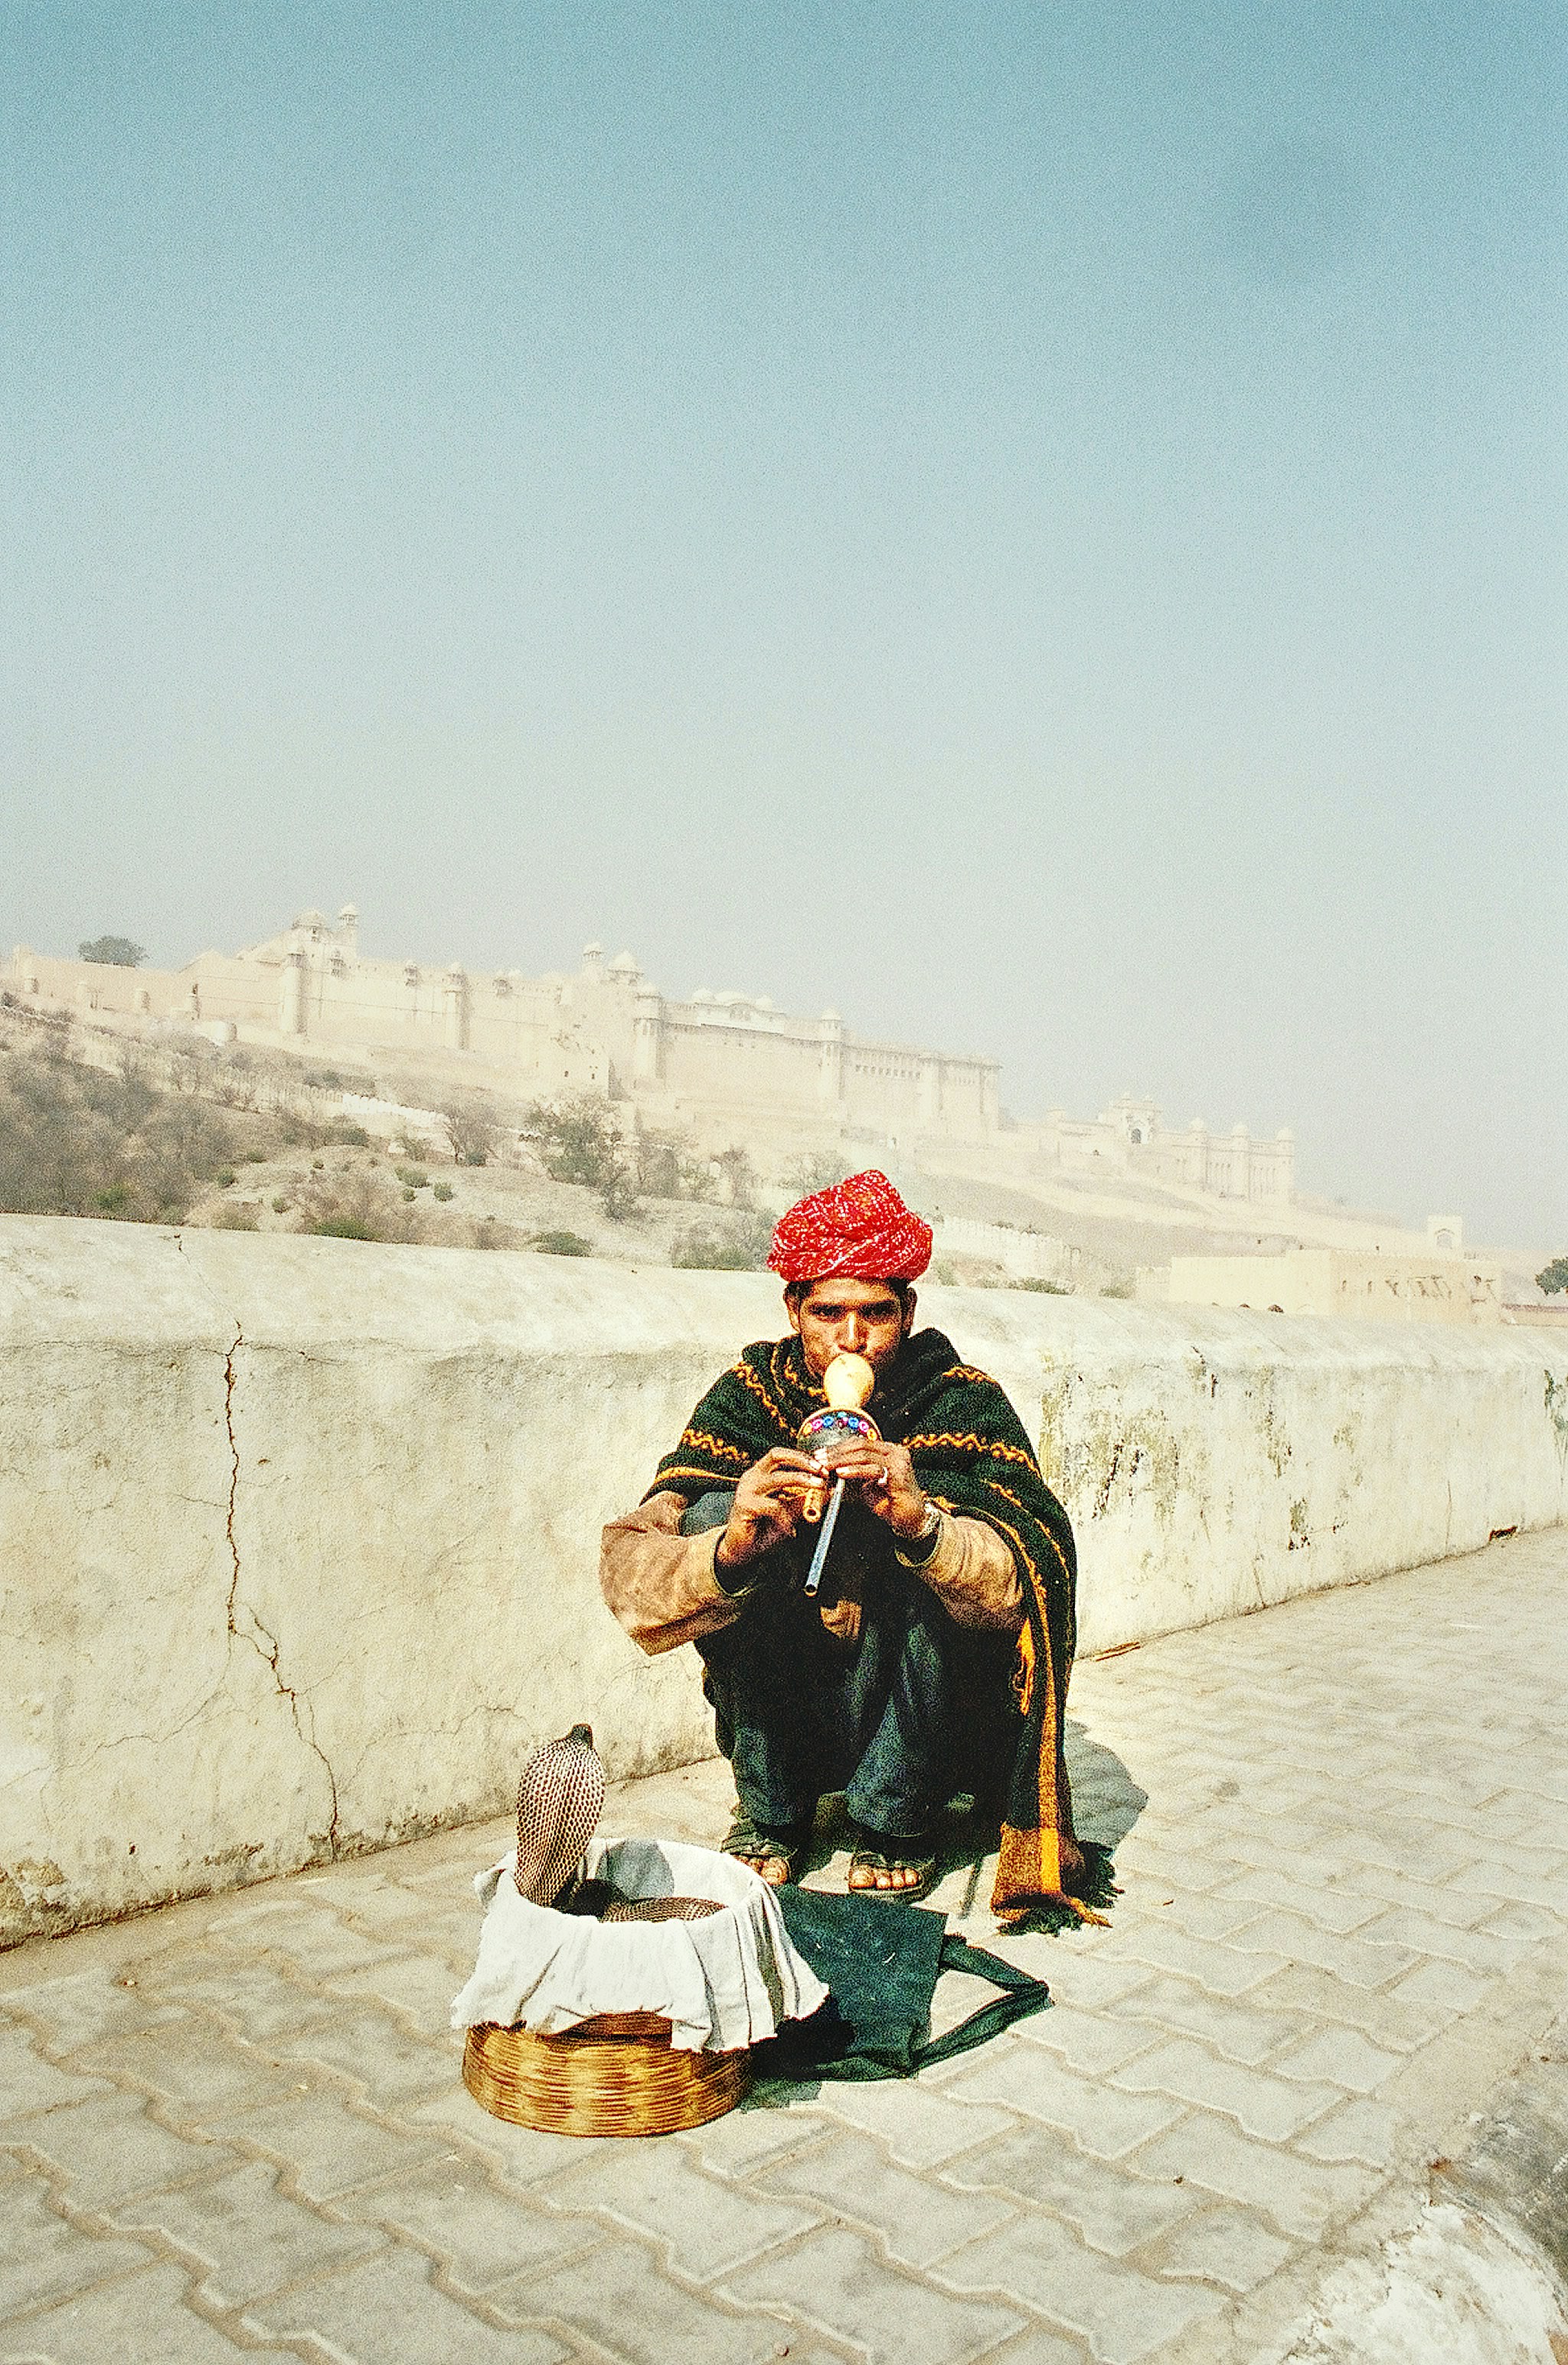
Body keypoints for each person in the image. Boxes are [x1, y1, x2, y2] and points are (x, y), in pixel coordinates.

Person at [599, 1169, 1102, 1922]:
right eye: (828, 1312)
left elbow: (1027, 1578)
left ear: (907, 1311)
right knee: (710, 1506)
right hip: (796, 1689)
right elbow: (628, 1572)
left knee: (914, 1540)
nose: (852, 1337)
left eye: (875, 1313)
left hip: (926, 1706)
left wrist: (923, 1526)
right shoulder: (749, 1395)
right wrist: (729, 1551)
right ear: (793, 1309)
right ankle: (772, 1810)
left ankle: (898, 1820)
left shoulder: (958, 1398)